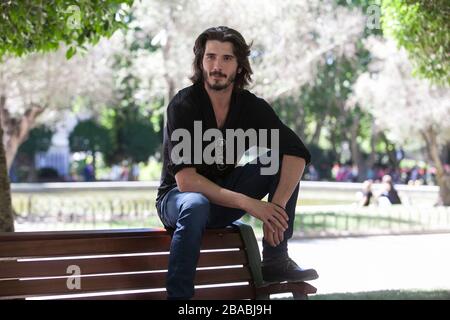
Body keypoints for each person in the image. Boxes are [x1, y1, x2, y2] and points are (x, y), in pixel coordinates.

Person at [155, 26, 318, 300]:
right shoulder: (184, 105)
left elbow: (296, 153)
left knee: (280, 161)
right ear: (200, 61)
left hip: (221, 200)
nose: (217, 66)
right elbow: (187, 181)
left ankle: (276, 259)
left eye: (226, 58)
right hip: (178, 200)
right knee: (196, 202)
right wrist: (250, 204)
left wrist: (274, 209)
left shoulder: (251, 108)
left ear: (239, 65)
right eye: (210, 57)